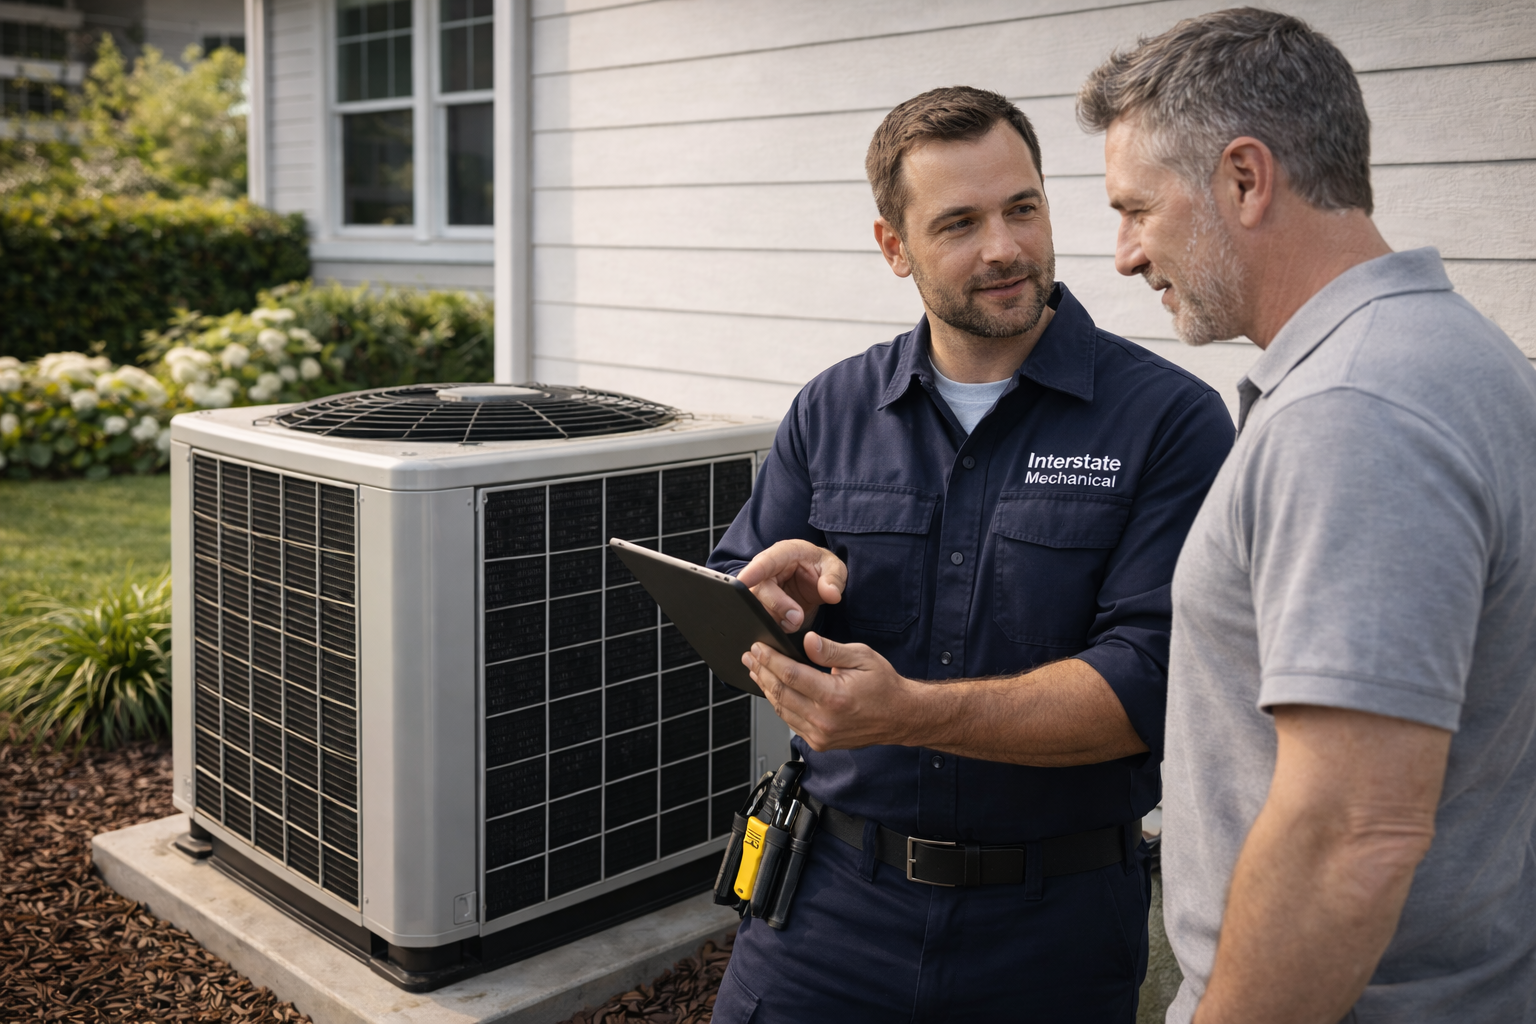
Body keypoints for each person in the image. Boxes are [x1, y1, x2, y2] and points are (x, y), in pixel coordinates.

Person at [704, 86, 1233, 1023]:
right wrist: (779, 612)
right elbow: (737, 619)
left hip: (1051, 931)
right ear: (893, 248)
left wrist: (904, 713)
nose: (1004, 248)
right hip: (824, 909)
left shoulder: (1168, 422)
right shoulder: (833, 409)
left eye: (1021, 208)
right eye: (959, 223)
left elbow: (1153, 685)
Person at [1077, 9, 1536, 1023]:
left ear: (1246, 179)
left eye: (1136, 210)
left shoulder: (1352, 412)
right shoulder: (1461, 357)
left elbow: (1351, 834)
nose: (1123, 255)